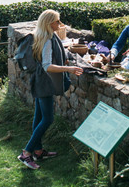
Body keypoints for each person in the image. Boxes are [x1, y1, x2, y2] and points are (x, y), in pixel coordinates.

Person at [19, 9, 82, 170]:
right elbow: (47, 66)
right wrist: (68, 69)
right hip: (44, 82)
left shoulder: (40, 36)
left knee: (39, 116)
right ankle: (26, 153)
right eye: (57, 21)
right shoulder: (47, 40)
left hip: (39, 80)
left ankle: (38, 151)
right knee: (47, 119)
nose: (59, 24)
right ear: (49, 23)